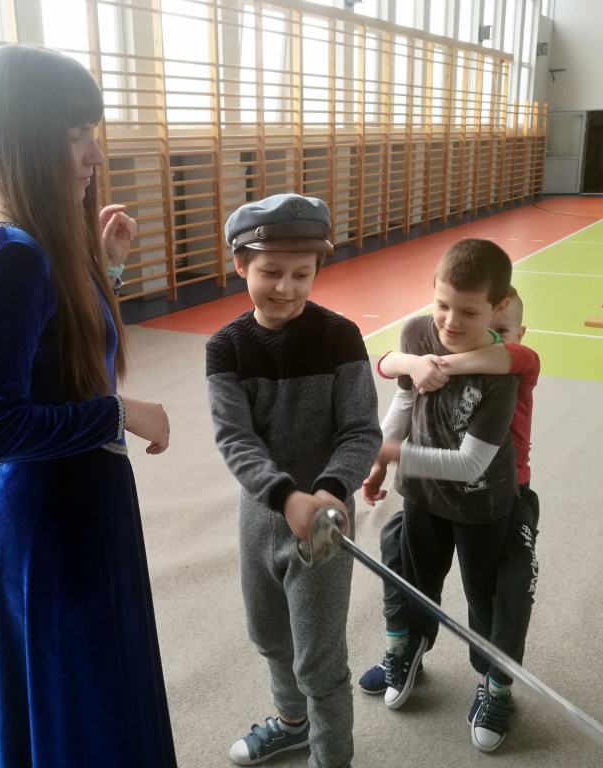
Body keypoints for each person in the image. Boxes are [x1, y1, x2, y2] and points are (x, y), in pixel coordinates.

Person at [0, 44, 176, 768]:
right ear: (28, 137)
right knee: (79, 714)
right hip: (52, 526)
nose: (94, 154)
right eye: (76, 135)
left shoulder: (23, 243)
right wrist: (120, 413)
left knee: (80, 708)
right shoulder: (13, 255)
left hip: (62, 510)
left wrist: (103, 268)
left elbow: (55, 357)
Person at [205, 194, 382, 767]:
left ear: (317, 270)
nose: (285, 287)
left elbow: (361, 430)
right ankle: (291, 723)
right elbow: (235, 438)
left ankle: (331, 759)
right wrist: (283, 497)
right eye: (270, 272)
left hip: (324, 523)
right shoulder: (225, 348)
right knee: (270, 637)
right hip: (261, 517)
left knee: (320, 660)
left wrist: (329, 490)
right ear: (241, 264)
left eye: (301, 274)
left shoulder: (340, 337)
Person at [360, 285, 540, 753]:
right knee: (402, 559)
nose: (482, 341)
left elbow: (471, 460)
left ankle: (496, 683)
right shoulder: (438, 340)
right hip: (430, 490)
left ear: (515, 333)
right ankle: (408, 644)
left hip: (496, 497)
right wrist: (411, 362)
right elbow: (399, 389)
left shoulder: (516, 362)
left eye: (499, 332)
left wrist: (431, 363)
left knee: (500, 592)